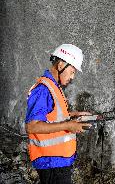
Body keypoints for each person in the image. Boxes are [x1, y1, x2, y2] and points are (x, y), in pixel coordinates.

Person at [25, 44, 92, 184]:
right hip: (51, 162)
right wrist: (68, 124)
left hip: (58, 161)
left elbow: (52, 115)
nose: (73, 77)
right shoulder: (43, 89)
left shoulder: (55, 86)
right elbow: (32, 126)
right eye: (72, 71)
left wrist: (74, 115)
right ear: (61, 65)